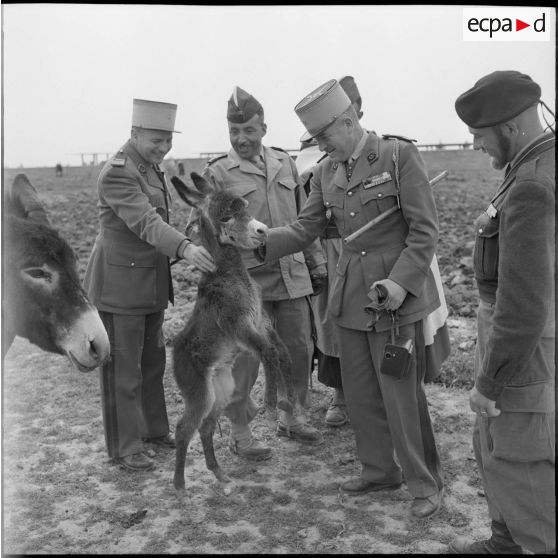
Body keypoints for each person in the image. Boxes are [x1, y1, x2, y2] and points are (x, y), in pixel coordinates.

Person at [256, 79, 444, 518]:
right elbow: (306, 228)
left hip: (394, 299)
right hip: (351, 297)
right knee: (359, 392)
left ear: (348, 120)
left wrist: (400, 283)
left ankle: (424, 482)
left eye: (324, 136)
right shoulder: (326, 171)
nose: (320, 146)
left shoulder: (397, 156)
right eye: (316, 138)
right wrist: (261, 240)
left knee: (401, 395)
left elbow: (424, 231)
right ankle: (380, 471)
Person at [449, 71, 555, 554]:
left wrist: (491, 383)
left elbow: (523, 304)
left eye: (479, 134)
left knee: (520, 455)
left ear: (511, 127)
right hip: (531, 340)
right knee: (494, 441)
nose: (474, 144)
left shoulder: (531, 183)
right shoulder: (535, 163)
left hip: (523, 347)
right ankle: (504, 541)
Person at [84, 99, 215, 472]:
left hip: (150, 282)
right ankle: (125, 447)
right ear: (135, 133)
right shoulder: (118, 173)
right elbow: (146, 221)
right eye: (156, 140)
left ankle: (154, 430)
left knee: (152, 363)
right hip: (120, 286)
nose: (163, 148)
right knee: (123, 371)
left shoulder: (149, 166)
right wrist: (184, 248)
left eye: (168, 140)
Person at [202, 86, 327, 460]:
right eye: (234, 131)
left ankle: (292, 417)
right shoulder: (217, 173)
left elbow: (303, 219)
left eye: (249, 131)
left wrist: (317, 262)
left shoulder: (285, 162)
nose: (241, 138)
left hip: (292, 275)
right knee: (245, 360)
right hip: (248, 284)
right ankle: (240, 433)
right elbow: (204, 232)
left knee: (298, 350)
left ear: (264, 129)